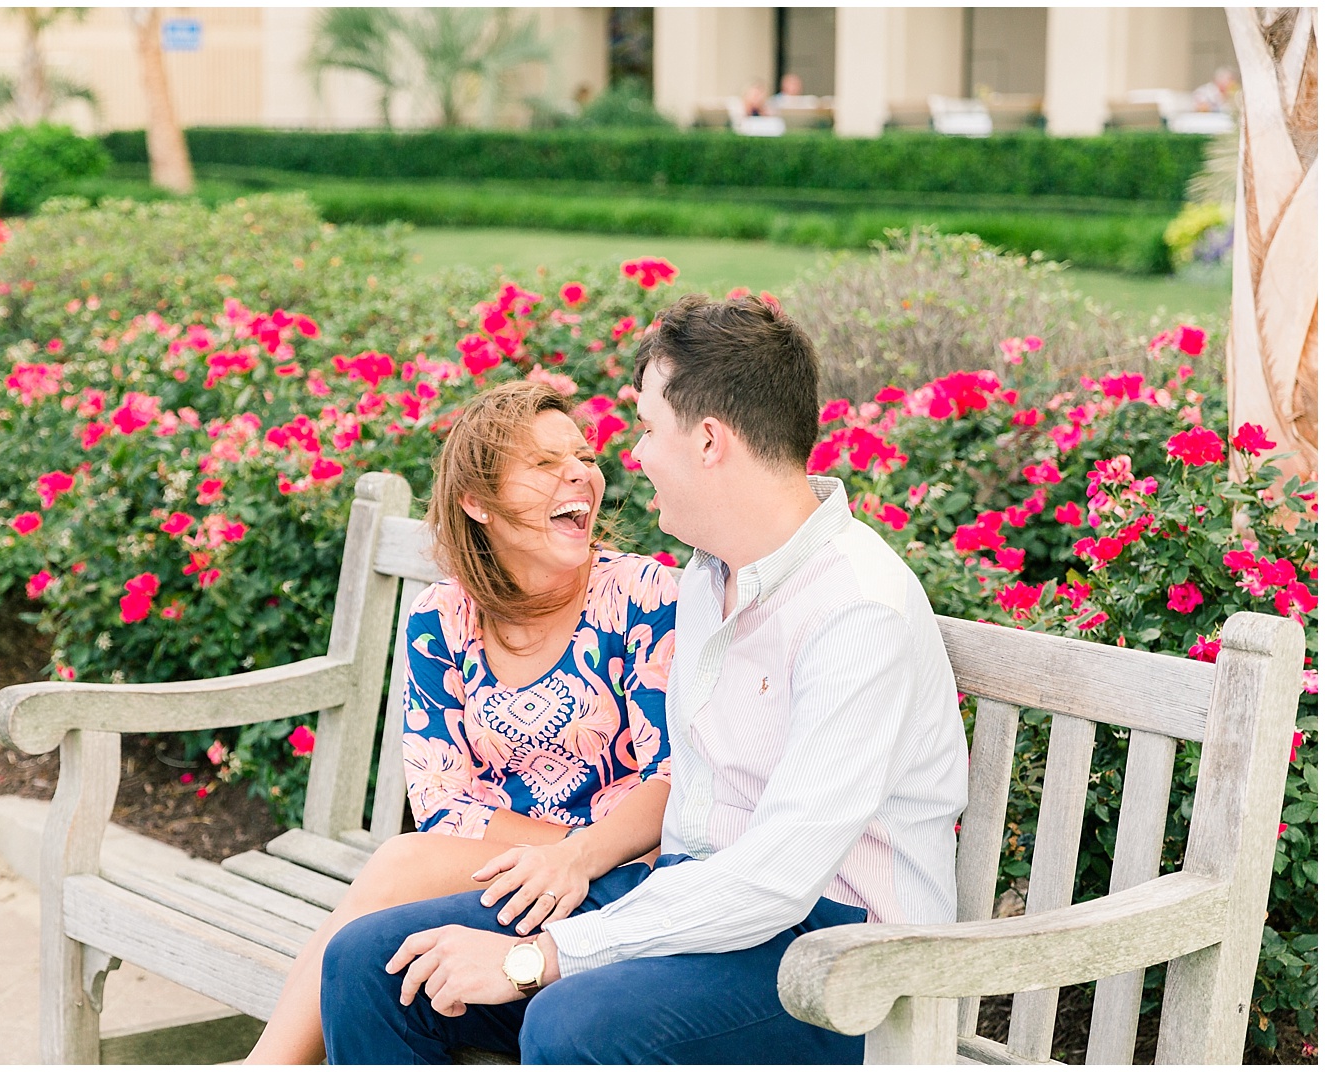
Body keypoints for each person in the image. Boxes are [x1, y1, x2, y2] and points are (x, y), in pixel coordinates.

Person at [318, 294, 969, 1064]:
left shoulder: (859, 610)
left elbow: (775, 879)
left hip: (843, 960)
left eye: (646, 428)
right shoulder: (706, 577)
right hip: (693, 898)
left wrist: (543, 955)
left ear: (707, 441)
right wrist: (583, 876)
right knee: (374, 964)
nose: (630, 456)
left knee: (572, 1022)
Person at [245, 380, 677, 1063]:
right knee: (389, 951)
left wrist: (582, 855)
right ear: (477, 502)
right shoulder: (441, 619)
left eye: (584, 455)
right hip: (510, 881)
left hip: (627, 875)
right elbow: (443, 800)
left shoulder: (641, 593)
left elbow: (671, 777)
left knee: (393, 893)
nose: (580, 473)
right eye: (542, 463)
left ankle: (266, 1064)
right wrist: (553, 855)